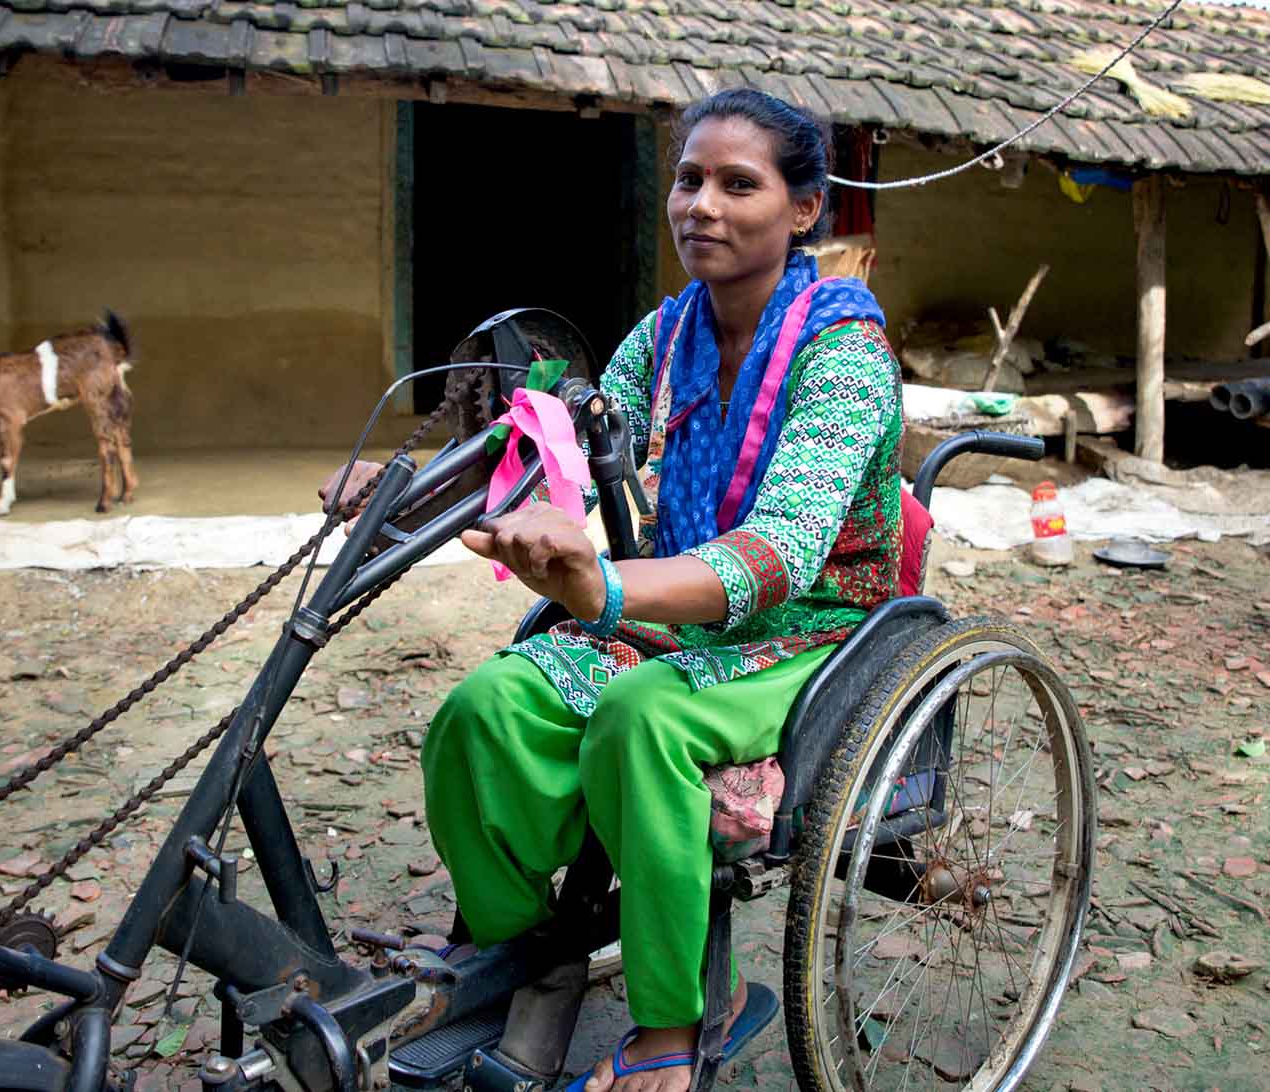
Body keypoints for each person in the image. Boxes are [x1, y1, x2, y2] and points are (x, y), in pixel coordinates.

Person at [323, 87, 903, 1092]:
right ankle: (520, 952)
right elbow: (544, 448)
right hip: (667, 611)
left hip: (812, 631)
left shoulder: (844, 355)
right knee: (485, 709)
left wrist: (601, 584)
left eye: (737, 185)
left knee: (640, 718)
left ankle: (675, 1022)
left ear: (801, 209)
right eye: (687, 180)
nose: (701, 207)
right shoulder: (664, 336)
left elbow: (779, 552)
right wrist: (402, 492)